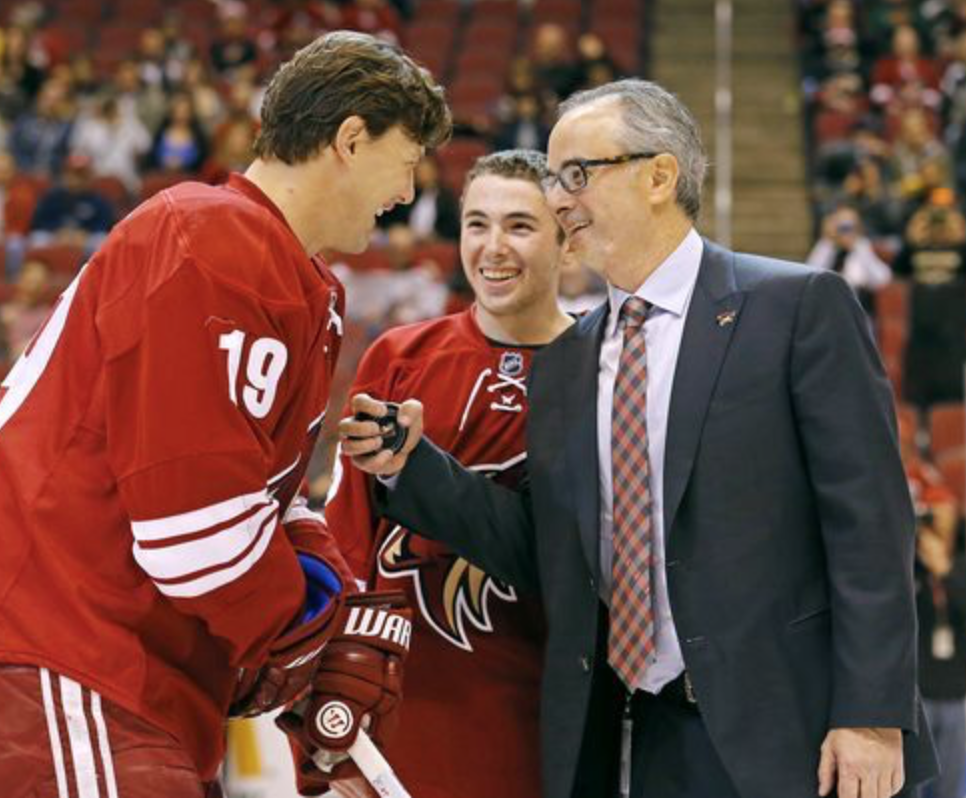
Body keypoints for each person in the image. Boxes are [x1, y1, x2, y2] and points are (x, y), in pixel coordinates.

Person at [340, 78, 939, 798]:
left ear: (660, 175)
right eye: (555, 179)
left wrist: (872, 716)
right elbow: (547, 546)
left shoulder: (794, 306)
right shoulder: (566, 361)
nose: (560, 198)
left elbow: (870, 524)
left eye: (578, 175)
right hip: (642, 737)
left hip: (798, 734)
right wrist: (415, 469)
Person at [0, 30, 450, 798]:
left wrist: (335, 602)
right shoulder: (209, 239)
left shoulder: (300, 285)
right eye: (405, 164)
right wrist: (309, 638)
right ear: (350, 139)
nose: (406, 194)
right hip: (68, 655)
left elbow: (258, 500)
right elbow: (194, 535)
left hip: (129, 678)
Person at [326, 149, 572, 798]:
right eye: (477, 224)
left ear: (567, 239)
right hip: (402, 710)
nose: (494, 248)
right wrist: (334, 722)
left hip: (536, 713)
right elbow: (347, 538)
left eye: (520, 226)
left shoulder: (604, 369)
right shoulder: (400, 356)